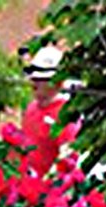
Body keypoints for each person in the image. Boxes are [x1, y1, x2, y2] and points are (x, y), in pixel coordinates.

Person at [20, 45, 69, 176]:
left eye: (41, 80)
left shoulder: (65, 115)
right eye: (33, 78)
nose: (34, 83)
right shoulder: (30, 108)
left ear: (58, 83)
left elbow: (67, 161)